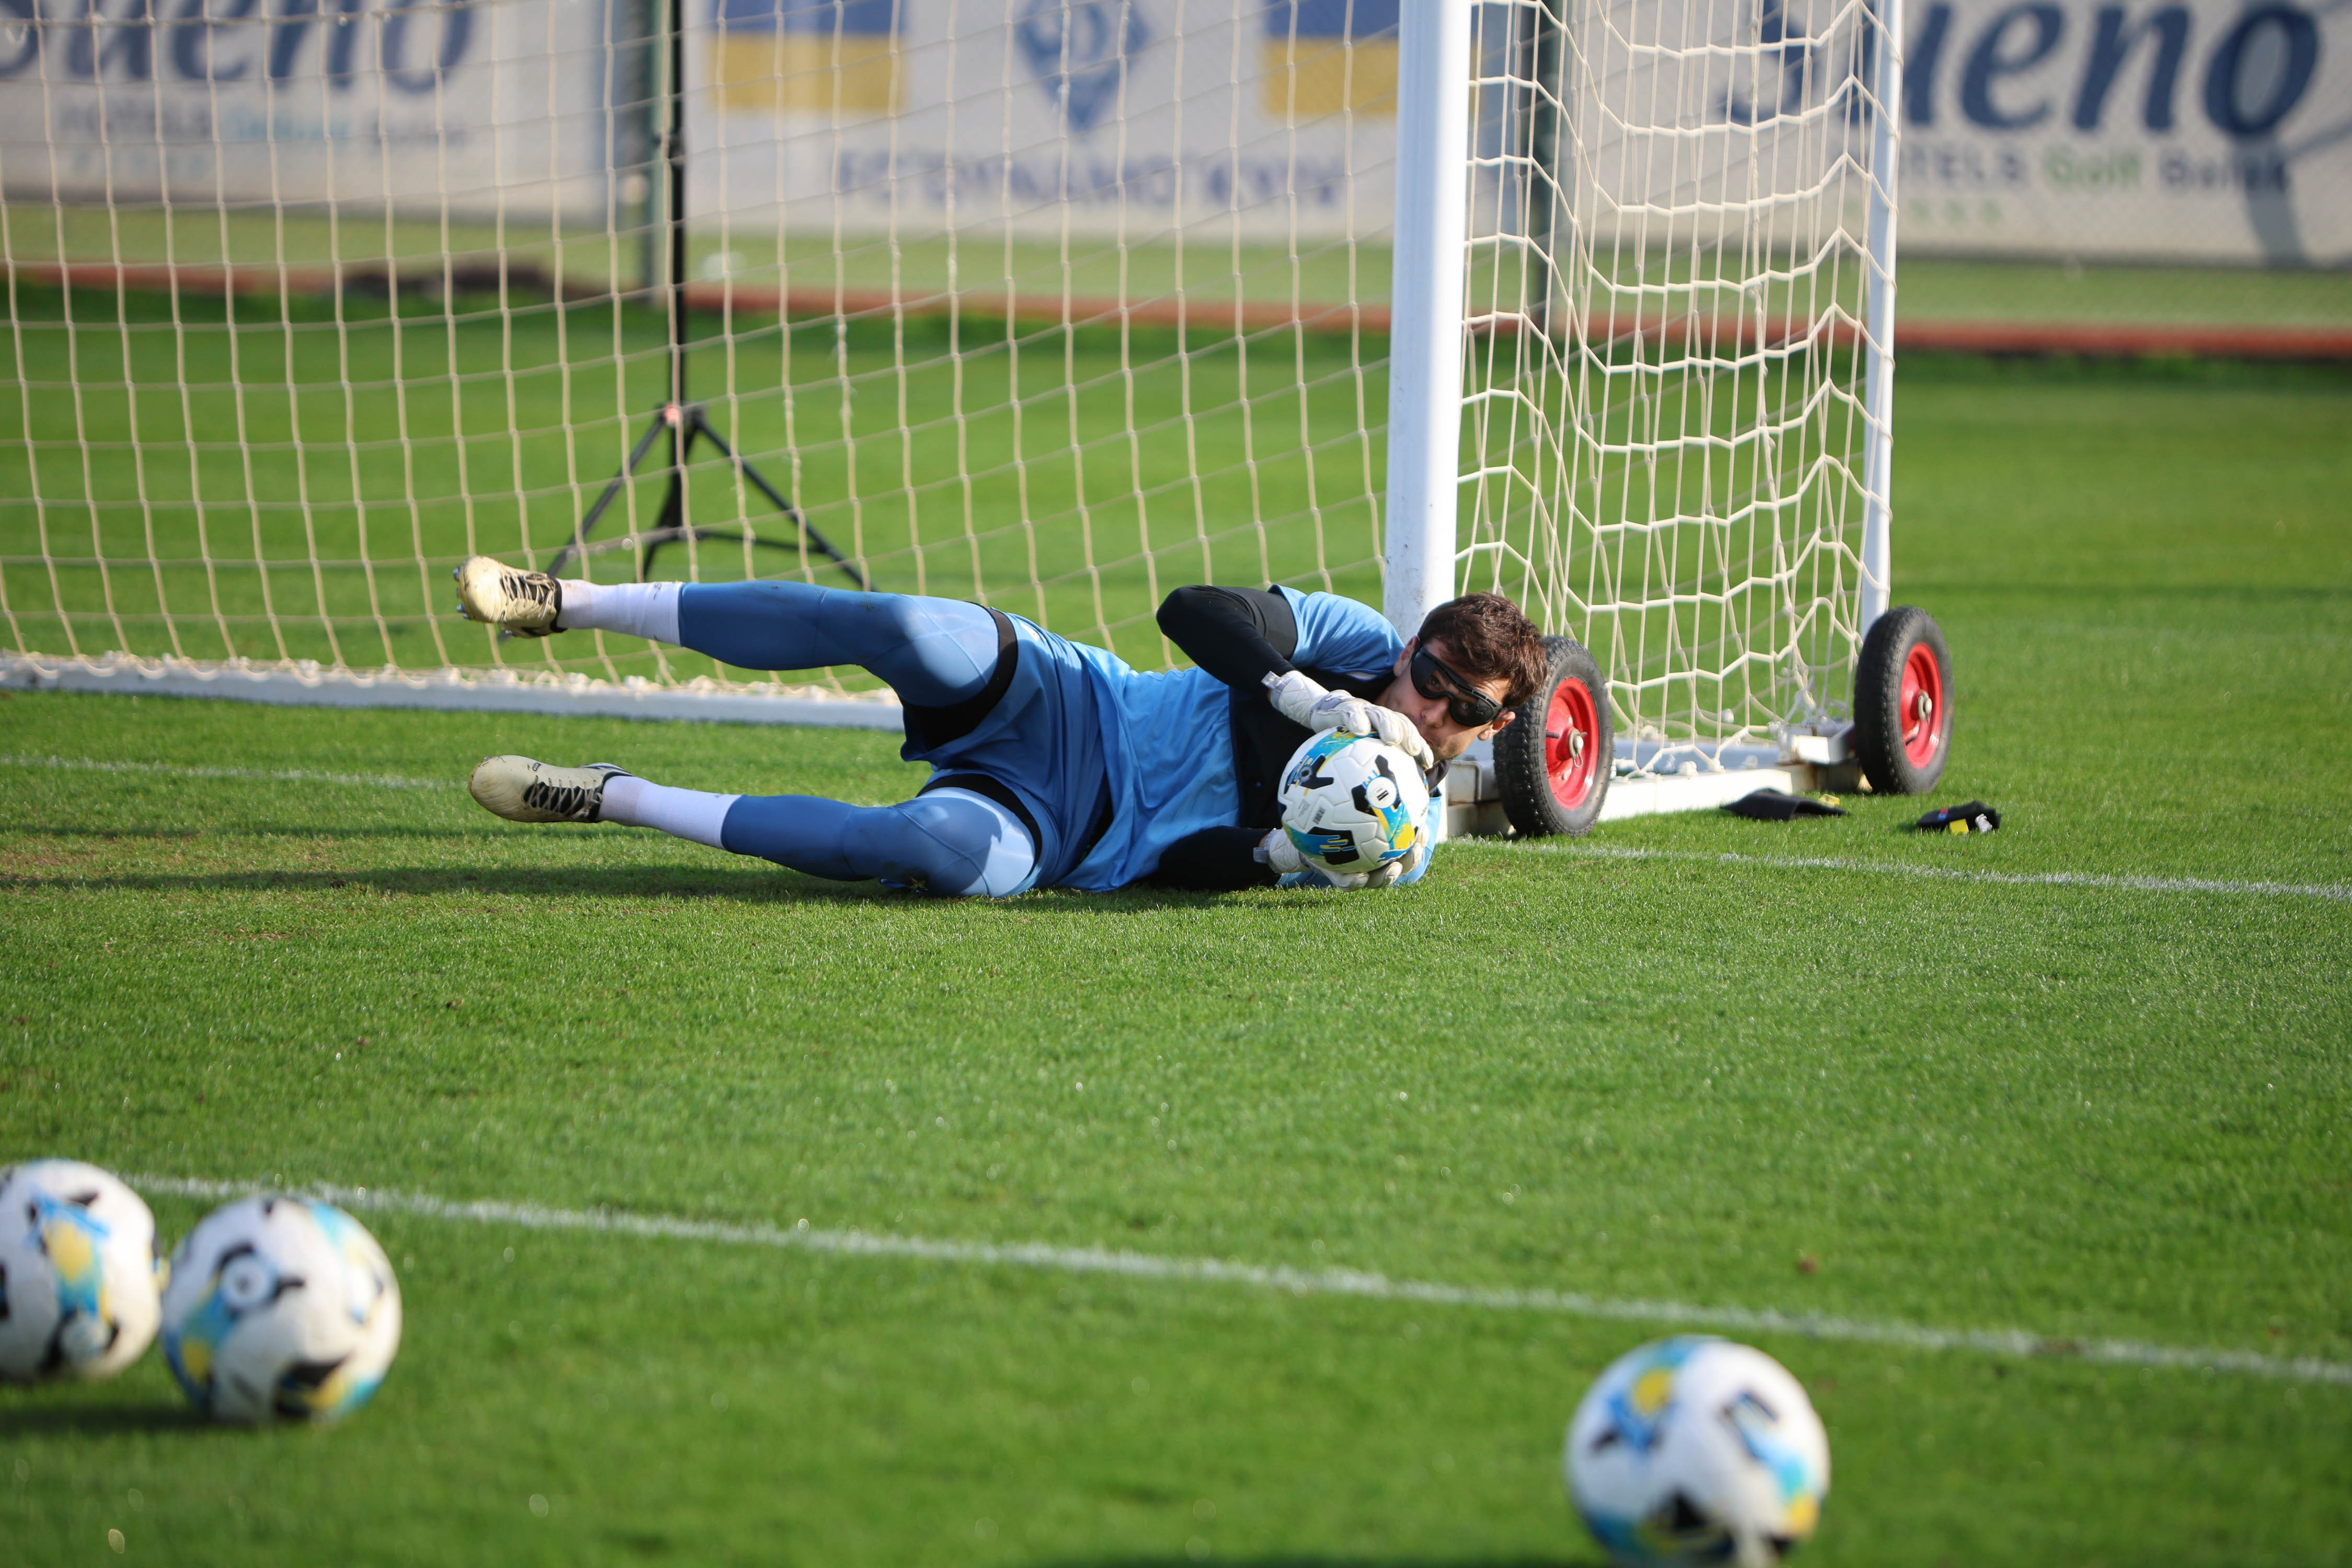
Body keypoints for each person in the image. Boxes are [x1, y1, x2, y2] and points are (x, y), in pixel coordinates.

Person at [452, 557, 1547, 896]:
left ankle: (610, 796)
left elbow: (1177, 870)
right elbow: (1191, 613)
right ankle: (569, 601)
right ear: (1411, 649)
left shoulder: (1391, 843)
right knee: (893, 625)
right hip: (1069, 695)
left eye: (1465, 709)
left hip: (1065, 833)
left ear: (1493, 726)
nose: (1430, 709)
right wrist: (1308, 698)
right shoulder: (1352, 641)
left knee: (911, 848)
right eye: (1430, 677)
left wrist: (1279, 853)